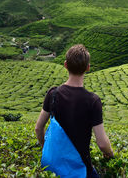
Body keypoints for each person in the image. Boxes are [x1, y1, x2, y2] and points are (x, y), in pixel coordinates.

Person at [35, 44, 114, 177]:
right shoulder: (93, 101)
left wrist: (45, 149)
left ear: (65, 65)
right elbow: (102, 142)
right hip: (80, 168)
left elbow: (38, 128)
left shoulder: (53, 94)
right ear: (88, 68)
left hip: (53, 166)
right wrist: (110, 154)